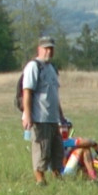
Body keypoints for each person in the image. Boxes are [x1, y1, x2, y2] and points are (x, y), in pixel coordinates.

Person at [20, 36, 63, 186]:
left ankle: (58, 178)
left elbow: (54, 95)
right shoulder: (33, 66)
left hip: (53, 118)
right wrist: (27, 115)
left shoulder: (51, 68)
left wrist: (61, 116)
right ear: (39, 49)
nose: (49, 51)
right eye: (46, 48)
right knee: (42, 150)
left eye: (51, 48)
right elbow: (27, 91)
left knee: (57, 150)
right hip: (40, 117)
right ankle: (40, 181)